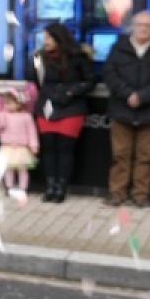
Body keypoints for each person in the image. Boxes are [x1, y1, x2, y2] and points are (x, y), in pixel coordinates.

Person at [102, 11, 150, 208]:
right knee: (120, 155)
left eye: (148, 25)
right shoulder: (118, 47)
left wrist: (142, 97)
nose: (143, 28)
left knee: (146, 157)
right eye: (140, 24)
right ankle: (117, 194)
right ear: (132, 26)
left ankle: (141, 196)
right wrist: (128, 94)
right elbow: (109, 74)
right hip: (121, 109)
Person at [27, 22, 95, 203]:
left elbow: (90, 81)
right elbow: (33, 81)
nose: (45, 41)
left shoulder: (78, 56)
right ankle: (50, 186)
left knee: (65, 149)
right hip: (47, 107)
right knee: (48, 148)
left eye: (49, 37)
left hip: (71, 107)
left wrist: (71, 92)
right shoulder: (39, 58)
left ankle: (61, 187)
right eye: (44, 37)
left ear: (59, 38)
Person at [0, 88, 40, 199]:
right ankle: (9, 187)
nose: (7, 106)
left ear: (19, 103)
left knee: (22, 169)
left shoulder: (26, 117)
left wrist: (34, 145)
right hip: (7, 147)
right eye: (6, 103)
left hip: (22, 148)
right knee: (8, 169)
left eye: (10, 103)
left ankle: (23, 188)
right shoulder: (4, 115)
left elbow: (31, 132)